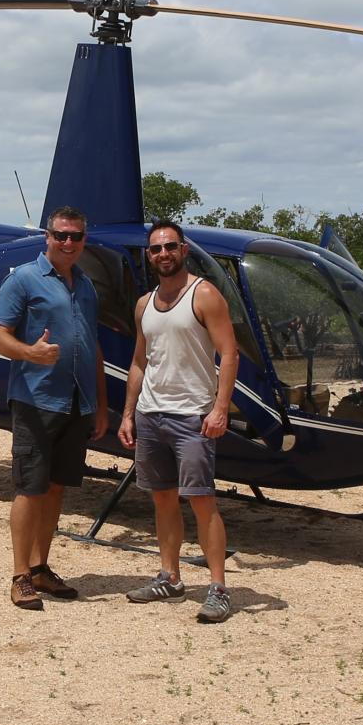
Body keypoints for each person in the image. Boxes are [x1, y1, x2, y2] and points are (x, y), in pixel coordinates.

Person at [117, 219, 241, 622]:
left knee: (202, 501)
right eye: (156, 249)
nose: (164, 254)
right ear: (148, 255)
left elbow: (229, 353)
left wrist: (220, 408)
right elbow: (140, 361)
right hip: (151, 415)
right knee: (162, 499)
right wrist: (128, 413)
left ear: (184, 250)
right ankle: (170, 577)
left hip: (192, 417)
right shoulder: (144, 304)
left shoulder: (203, 294)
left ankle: (218, 588)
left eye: (170, 246)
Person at [0, 206, 107, 610]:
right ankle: (20, 575)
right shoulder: (23, 279)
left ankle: (40, 568)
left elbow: (93, 347)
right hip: (35, 400)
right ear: (47, 237)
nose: (68, 242)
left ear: (84, 240)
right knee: (30, 487)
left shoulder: (86, 285)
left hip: (76, 402)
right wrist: (30, 353)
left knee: (56, 487)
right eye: (61, 235)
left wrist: (100, 405)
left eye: (76, 236)